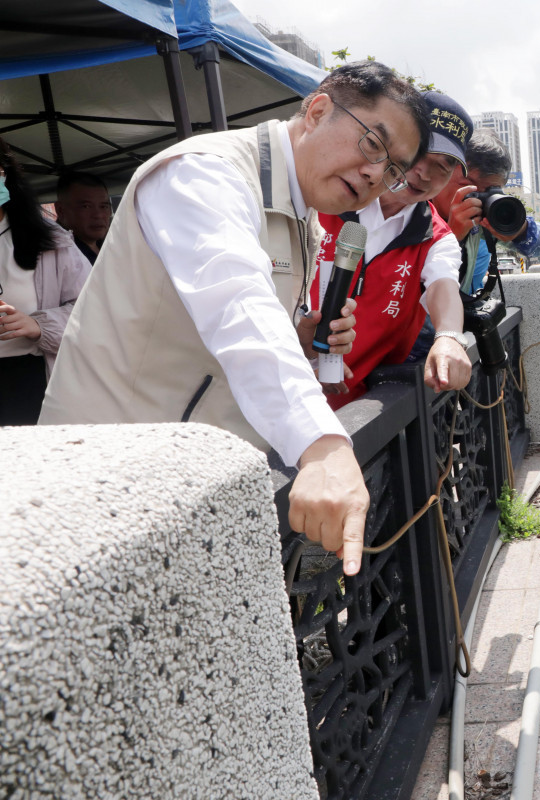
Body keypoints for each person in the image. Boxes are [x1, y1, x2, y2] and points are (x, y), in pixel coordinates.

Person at [40, 61, 429, 576]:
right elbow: (238, 310)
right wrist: (323, 446)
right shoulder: (203, 173)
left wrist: (301, 338)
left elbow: (243, 328)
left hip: (193, 485)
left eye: (394, 169)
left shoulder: (300, 207)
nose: (377, 175)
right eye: (373, 145)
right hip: (107, 482)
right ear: (317, 111)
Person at [312, 90, 472, 409]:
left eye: (443, 166)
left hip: (353, 409)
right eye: (420, 153)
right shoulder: (324, 196)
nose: (425, 173)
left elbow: (444, 285)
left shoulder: (436, 237)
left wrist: (450, 337)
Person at [0, 136, 92, 425]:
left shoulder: (50, 239)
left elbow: (94, 307)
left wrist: (39, 325)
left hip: (28, 378)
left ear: (5, 173)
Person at [432, 128, 540, 293]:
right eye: (468, 187)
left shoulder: (482, 218)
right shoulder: (411, 210)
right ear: (442, 169)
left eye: (488, 192)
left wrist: (519, 230)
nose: (476, 199)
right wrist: (450, 237)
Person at [54, 172, 113, 264]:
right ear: (61, 210)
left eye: (103, 206)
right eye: (86, 206)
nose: (98, 215)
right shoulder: (57, 257)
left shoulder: (111, 246)